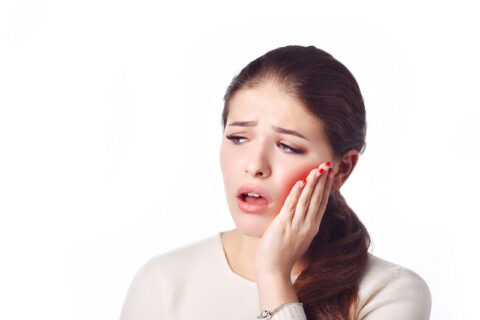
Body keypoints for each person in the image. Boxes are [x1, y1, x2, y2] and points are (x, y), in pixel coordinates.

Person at [119, 45, 432, 320]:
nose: (254, 166)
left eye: (288, 147)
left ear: (341, 169)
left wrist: (273, 275)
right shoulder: (163, 283)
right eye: (238, 138)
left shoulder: (390, 293)